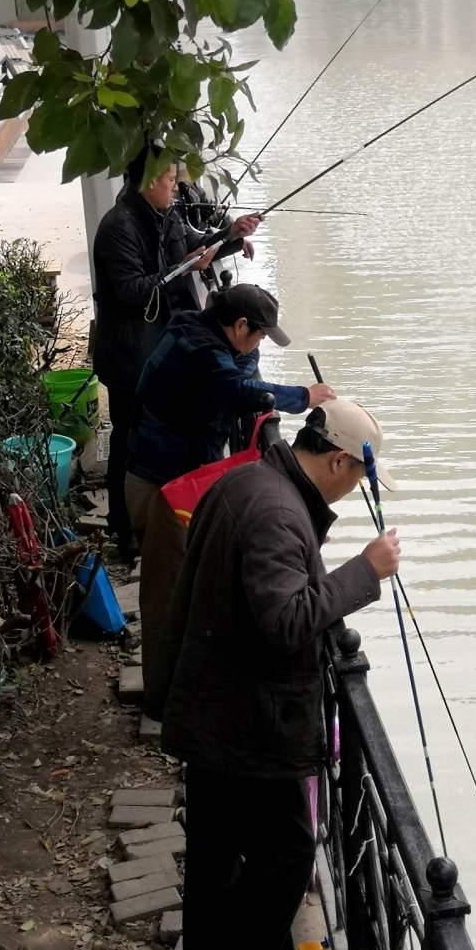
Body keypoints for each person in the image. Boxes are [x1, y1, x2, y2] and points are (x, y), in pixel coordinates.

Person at [151, 398, 399, 950]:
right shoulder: (278, 512)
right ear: (337, 462)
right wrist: (365, 570)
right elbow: (286, 621)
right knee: (285, 856)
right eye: (360, 476)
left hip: (217, 710)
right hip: (249, 728)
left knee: (216, 859)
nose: (356, 487)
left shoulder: (253, 483)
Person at [125, 283, 336, 713]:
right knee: (165, 596)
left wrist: (256, 373)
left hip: (178, 478)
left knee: (187, 589)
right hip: (160, 486)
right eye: (257, 335)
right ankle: (161, 704)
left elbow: (243, 378)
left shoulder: (201, 331)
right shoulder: (201, 351)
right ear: (239, 325)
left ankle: (183, 691)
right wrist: (303, 397)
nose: (258, 344)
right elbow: (239, 389)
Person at [91, 143, 260, 558]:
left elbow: (194, 247)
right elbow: (133, 290)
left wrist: (232, 237)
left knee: (163, 437)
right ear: (150, 181)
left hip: (162, 350)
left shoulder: (163, 214)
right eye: (170, 180)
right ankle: (123, 530)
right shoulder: (119, 226)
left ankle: (167, 518)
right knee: (128, 440)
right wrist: (184, 267)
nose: (176, 186)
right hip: (130, 354)